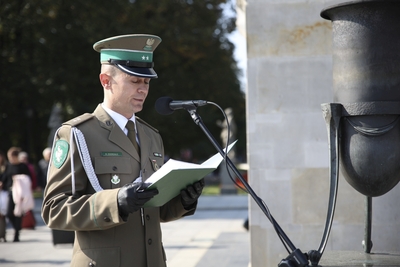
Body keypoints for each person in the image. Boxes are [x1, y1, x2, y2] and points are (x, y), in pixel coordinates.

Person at [41, 34, 205, 267]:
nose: (143, 90)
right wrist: (115, 202)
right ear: (105, 81)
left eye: (146, 82)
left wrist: (184, 201)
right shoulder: (77, 134)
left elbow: (154, 210)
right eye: (134, 81)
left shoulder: (151, 136)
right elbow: (53, 209)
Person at [1, 147, 32, 242]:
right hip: (10, 192)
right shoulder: (8, 166)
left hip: (20, 193)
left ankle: (16, 234)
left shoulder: (23, 166)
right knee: (9, 213)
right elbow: (5, 178)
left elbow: (28, 179)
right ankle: (17, 228)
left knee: (18, 213)